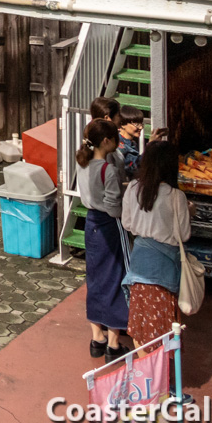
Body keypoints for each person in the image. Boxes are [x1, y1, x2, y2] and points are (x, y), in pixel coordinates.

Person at [121, 140, 191, 351]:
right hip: (165, 270)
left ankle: (146, 377)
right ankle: (159, 378)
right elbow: (184, 234)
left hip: (139, 265)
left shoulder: (133, 188)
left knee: (140, 325)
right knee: (163, 327)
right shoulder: (176, 196)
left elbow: (127, 224)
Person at [76, 119, 130, 360]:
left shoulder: (83, 162)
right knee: (117, 278)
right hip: (109, 226)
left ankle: (97, 338)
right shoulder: (108, 170)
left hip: (91, 223)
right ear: (107, 141)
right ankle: (114, 343)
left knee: (95, 278)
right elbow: (113, 207)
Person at [118, 106, 145, 178]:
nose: (141, 127)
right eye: (136, 124)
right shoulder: (120, 146)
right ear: (122, 124)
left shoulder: (132, 143)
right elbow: (133, 168)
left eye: (141, 124)